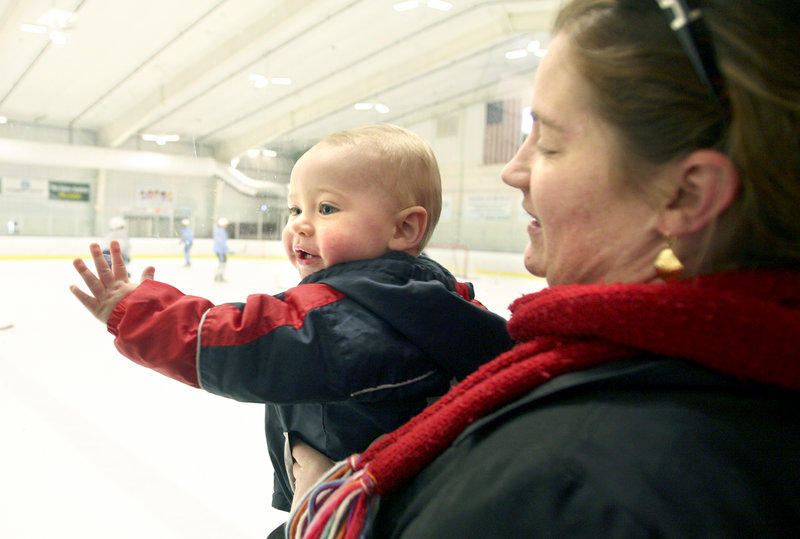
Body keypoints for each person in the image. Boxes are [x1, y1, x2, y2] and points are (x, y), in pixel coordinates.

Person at [286, 2, 800, 537]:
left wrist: (322, 511)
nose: (514, 169)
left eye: (549, 143)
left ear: (687, 193)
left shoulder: (576, 481)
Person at [69, 124, 513, 517]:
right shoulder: (421, 292)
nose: (300, 225)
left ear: (403, 230)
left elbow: (243, 343)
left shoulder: (350, 318)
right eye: (294, 209)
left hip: (355, 511)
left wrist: (138, 312)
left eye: (327, 209)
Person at [213, 217, 229, 281]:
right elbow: (220, 242)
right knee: (222, 263)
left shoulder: (221, 231)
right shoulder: (220, 232)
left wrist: (225, 249)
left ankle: (219, 276)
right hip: (220, 251)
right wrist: (224, 249)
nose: (226, 226)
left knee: (222, 263)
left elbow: (222, 242)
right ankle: (219, 276)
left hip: (221, 250)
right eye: (225, 225)